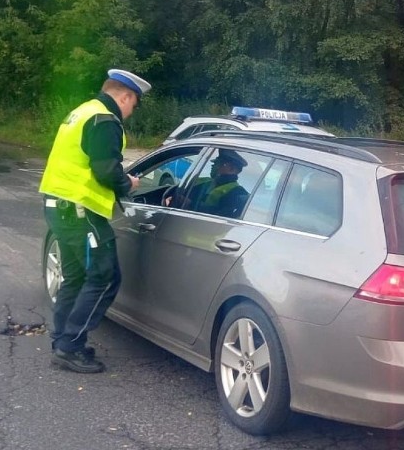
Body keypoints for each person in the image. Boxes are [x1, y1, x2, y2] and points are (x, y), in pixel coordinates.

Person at [38, 68, 150, 373]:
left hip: (60, 206)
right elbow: (105, 169)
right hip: (79, 211)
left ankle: (63, 340)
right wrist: (128, 184)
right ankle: (69, 346)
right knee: (104, 277)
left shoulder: (83, 111)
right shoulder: (105, 119)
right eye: (133, 104)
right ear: (125, 97)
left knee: (75, 278)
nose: (131, 111)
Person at [173, 149, 249, 218]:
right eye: (215, 163)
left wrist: (190, 204)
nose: (213, 165)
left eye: (219, 163)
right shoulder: (201, 181)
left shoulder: (238, 193)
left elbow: (222, 217)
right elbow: (176, 192)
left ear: (231, 169)